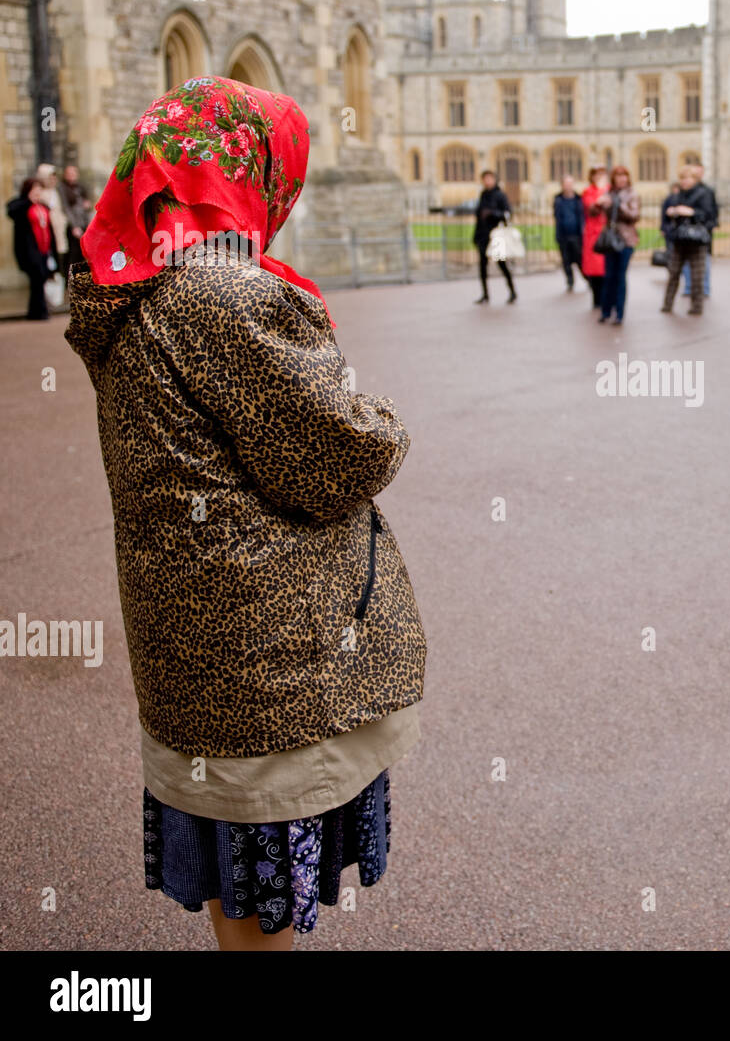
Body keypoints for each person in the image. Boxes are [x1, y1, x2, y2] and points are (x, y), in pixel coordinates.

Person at [64, 76, 426, 950]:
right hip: (266, 668)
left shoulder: (140, 287)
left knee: (243, 902)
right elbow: (345, 452)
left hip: (200, 654)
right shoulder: (223, 294)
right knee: (264, 908)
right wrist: (380, 413)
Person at [660, 164, 716, 314]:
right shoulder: (678, 195)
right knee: (674, 273)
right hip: (679, 239)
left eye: (688, 178)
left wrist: (691, 212)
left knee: (697, 275)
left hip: (696, 240)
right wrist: (672, 212)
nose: (685, 181)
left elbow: (710, 217)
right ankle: (667, 304)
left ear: (695, 179)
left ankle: (697, 306)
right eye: (682, 178)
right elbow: (667, 213)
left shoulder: (704, 194)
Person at [7, 176, 57, 319]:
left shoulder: (43, 206)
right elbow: (12, 212)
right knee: (38, 277)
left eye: (39, 189)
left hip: (44, 249)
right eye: (34, 189)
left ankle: (35, 311)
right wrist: (28, 201)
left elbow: (49, 228)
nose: (37, 192)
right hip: (29, 250)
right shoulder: (21, 204)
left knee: (40, 279)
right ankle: (41, 311)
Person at [597, 165, 640, 324]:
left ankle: (619, 313)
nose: (622, 179)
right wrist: (601, 203)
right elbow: (595, 213)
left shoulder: (632, 194)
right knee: (608, 276)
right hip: (611, 239)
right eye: (618, 176)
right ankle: (606, 310)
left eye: (624, 175)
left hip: (626, 240)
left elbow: (634, 216)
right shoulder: (609, 193)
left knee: (620, 276)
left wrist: (618, 203)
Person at [473, 169, 516, 304]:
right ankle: (485, 294)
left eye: (489, 178)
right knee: (482, 266)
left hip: (497, 236)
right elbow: (479, 217)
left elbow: (507, 213)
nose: (487, 181)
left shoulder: (500, 195)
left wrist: (492, 213)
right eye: (485, 179)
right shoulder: (483, 195)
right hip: (483, 235)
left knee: (502, 264)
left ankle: (512, 291)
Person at [682, 162, 715, 300]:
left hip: (702, 231)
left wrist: (710, 224)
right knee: (687, 261)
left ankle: (704, 289)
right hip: (685, 233)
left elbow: (711, 211)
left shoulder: (707, 191)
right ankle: (689, 287)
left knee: (703, 261)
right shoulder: (683, 192)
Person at [581, 164, 609, 310]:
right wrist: (600, 193)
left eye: (601, 174)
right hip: (593, 234)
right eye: (596, 174)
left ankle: (606, 299)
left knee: (606, 269)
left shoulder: (609, 190)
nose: (599, 178)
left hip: (606, 233)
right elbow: (591, 209)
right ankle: (596, 298)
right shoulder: (588, 191)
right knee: (594, 269)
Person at [36, 162, 70, 279]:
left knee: (62, 255)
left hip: (59, 227)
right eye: (50, 177)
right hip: (47, 230)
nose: (53, 180)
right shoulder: (40, 193)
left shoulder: (57, 192)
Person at [553, 174, 584, 292]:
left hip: (576, 234)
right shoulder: (558, 200)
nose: (568, 186)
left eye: (570, 184)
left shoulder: (578, 199)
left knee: (580, 259)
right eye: (566, 184)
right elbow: (557, 217)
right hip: (563, 235)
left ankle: (587, 279)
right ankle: (570, 281)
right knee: (566, 261)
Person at [59, 164, 92, 272]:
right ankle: (69, 281)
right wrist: (74, 226)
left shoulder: (81, 187)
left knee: (82, 254)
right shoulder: (63, 188)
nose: (71, 175)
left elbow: (87, 206)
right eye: (69, 173)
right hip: (73, 226)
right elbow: (66, 208)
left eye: (73, 173)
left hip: (83, 223)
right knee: (72, 255)